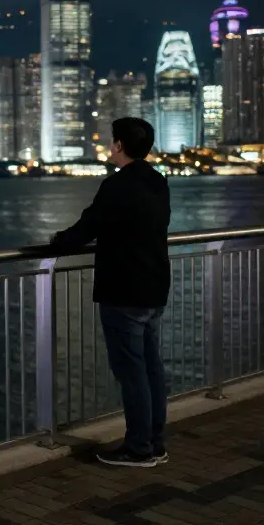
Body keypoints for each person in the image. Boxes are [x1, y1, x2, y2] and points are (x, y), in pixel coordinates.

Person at [49, 117, 171, 468]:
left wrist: (58, 241)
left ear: (119, 145)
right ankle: (155, 442)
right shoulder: (158, 182)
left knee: (131, 373)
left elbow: (86, 228)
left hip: (123, 290)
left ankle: (138, 449)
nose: (109, 145)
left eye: (111, 140)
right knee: (151, 370)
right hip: (154, 287)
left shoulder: (116, 186)